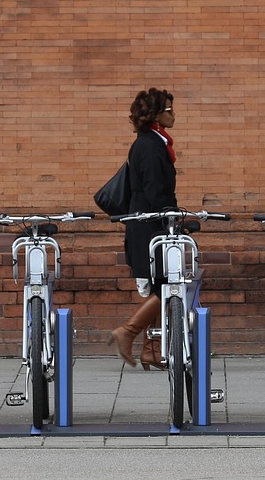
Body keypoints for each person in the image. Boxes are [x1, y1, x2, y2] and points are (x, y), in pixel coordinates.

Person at [108, 87, 177, 370]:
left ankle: (152, 349)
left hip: (152, 223)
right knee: (169, 286)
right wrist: (170, 215)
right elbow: (153, 190)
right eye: (169, 110)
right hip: (150, 226)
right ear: (155, 114)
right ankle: (129, 331)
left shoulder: (152, 142)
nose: (174, 115)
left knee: (162, 285)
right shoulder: (149, 145)